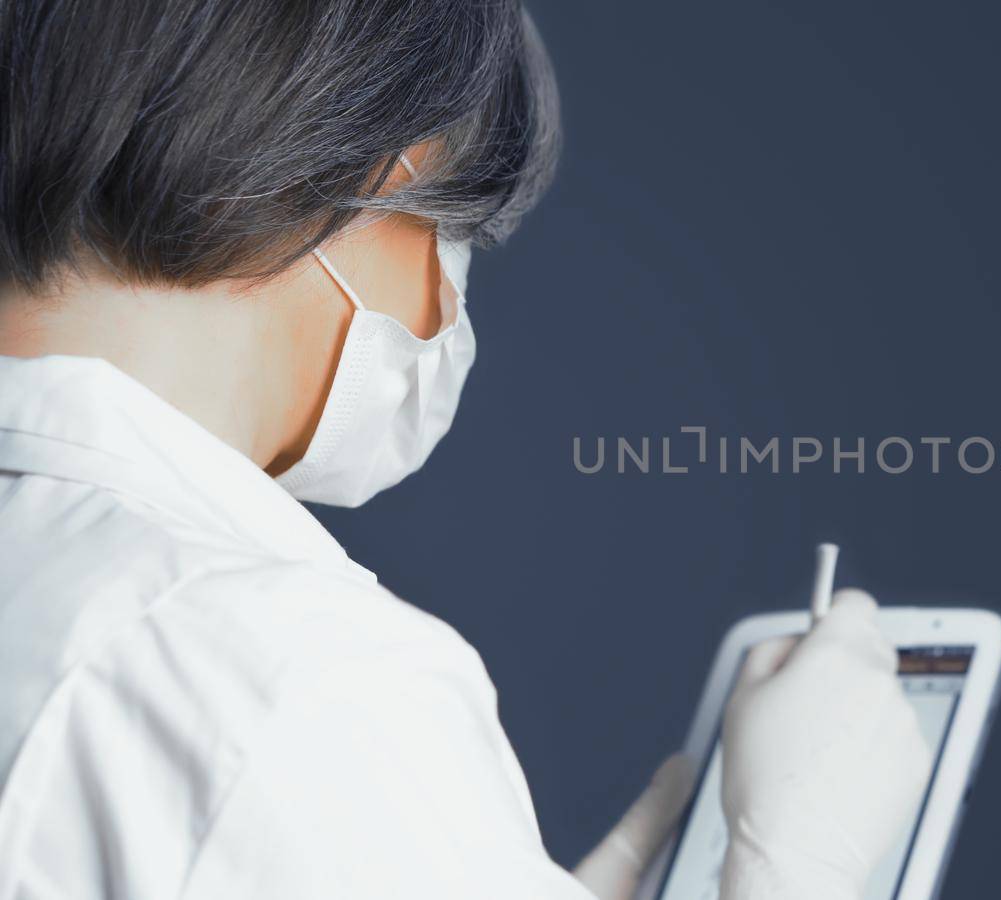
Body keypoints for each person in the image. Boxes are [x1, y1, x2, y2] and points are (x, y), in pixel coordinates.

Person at [0, 2, 930, 898]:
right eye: (456, 232)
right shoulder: (292, 671)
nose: (448, 303)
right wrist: (798, 870)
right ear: (385, 171)